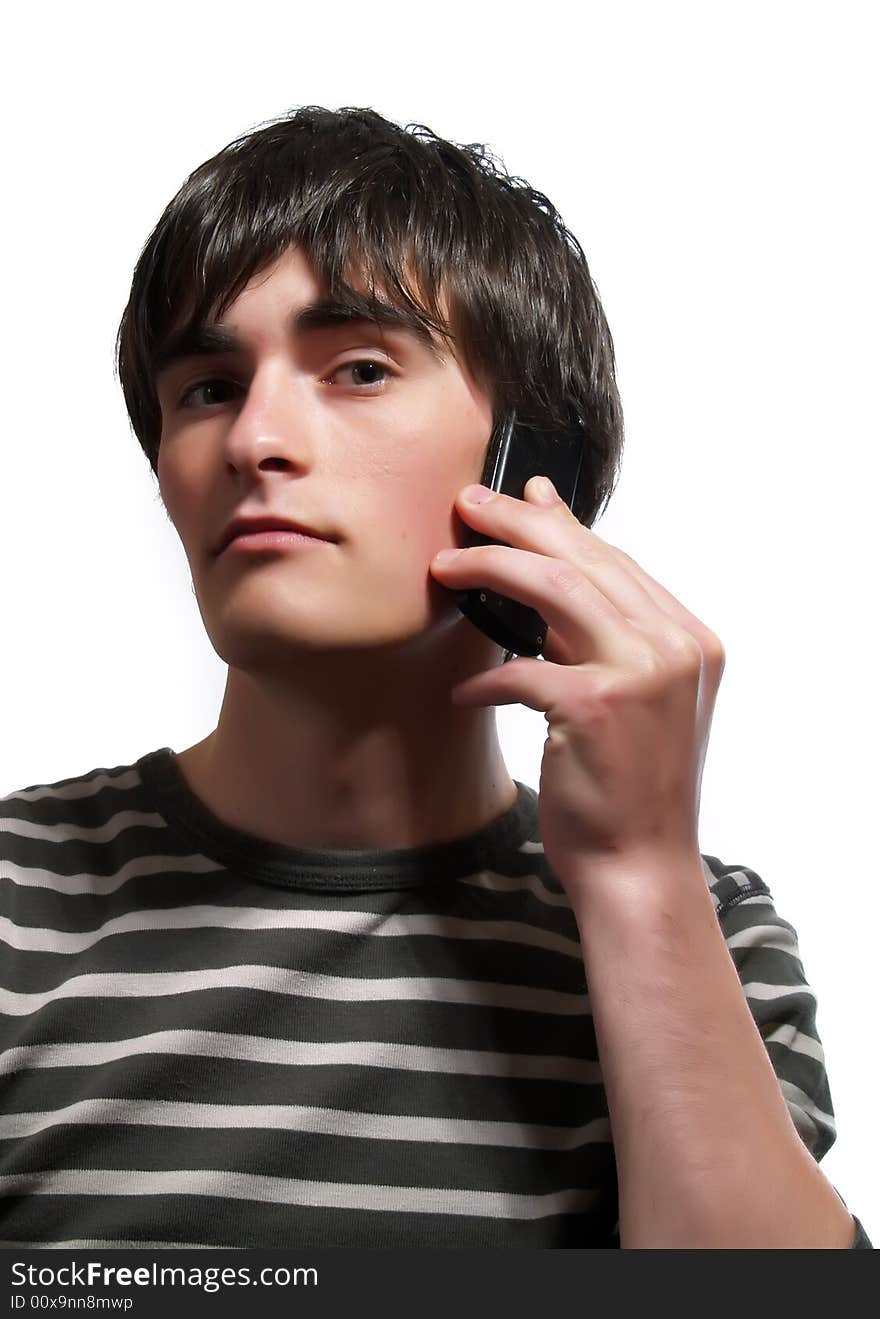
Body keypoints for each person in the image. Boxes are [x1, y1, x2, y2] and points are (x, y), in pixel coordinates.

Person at [0, 106, 871, 1250]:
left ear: (533, 463)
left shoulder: (712, 937)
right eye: (206, 387)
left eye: (357, 368)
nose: (255, 438)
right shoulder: (19, 900)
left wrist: (641, 877)